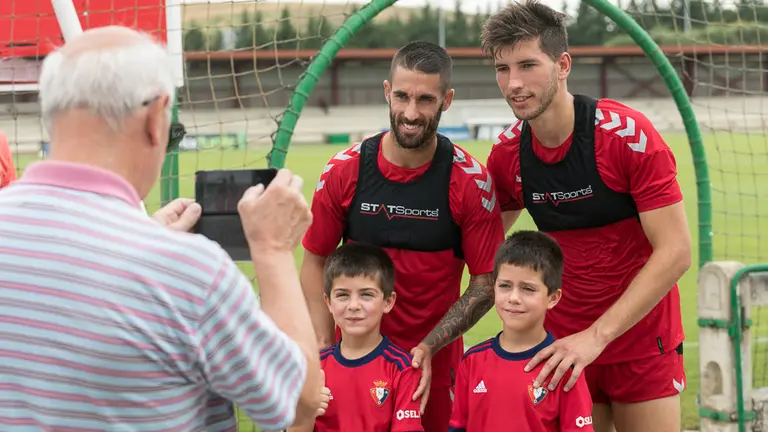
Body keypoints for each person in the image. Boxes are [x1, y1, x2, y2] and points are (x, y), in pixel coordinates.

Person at [0, 25, 325, 431]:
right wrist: (274, 251)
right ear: (155, 116)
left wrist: (146, 241)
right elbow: (299, 400)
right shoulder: (189, 273)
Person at [481, 2, 692, 431]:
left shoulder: (626, 137)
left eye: (527, 65)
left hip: (640, 341)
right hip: (560, 351)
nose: (514, 83)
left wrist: (596, 337)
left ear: (562, 65)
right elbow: (480, 254)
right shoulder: (506, 156)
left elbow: (676, 251)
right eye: (502, 69)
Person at [300, 41, 505, 432]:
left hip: (433, 369)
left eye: (426, 99)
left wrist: (430, 345)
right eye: (402, 96)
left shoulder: (470, 182)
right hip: (353, 361)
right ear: (386, 91)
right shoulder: (344, 172)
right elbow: (314, 259)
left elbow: (486, 283)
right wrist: (326, 348)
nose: (411, 113)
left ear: (447, 100)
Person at [449, 231, 593, 431]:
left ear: (553, 298)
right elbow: (458, 427)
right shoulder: (472, 361)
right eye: (505, 286)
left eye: (528, 289)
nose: (514, 298)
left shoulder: (563, 367)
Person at [293, 242, 424, 432]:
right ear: (328, 303)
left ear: (388, 302)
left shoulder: (403, 369)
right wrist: (304, 414)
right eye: (343, 295)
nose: (353, 305)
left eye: (366, 295)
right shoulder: (313, 368)